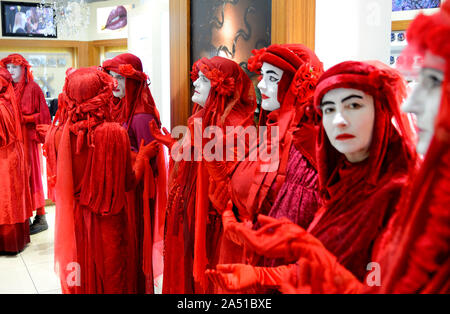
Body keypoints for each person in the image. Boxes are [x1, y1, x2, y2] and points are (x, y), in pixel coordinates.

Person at [206, 60, 417, 293]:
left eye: (354, 105)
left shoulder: (397, 193)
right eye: (328, 109)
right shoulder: (343, 181)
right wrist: (260, 271)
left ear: (381, 109)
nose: (339, 120)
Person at [211, 45, 323, 289]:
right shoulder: (272, 132)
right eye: (263, 76)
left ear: (297, 85)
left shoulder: (305, 147)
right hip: (245, 255)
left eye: (272, 78)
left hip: (272, 273)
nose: (261, 86)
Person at [44, 67, 158, 294]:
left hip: (75, 221)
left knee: (81, 274)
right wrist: (143, 158)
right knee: (114, 277)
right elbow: (128, 183)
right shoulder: (114, 133)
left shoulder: (57, 135)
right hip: (109, 223)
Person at [150, 56, 256, 293]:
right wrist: (174, 147)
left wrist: (210, 157)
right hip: (188, 212)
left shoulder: (237, 127)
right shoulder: (200, 118)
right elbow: (194, 161)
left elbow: (234, 190)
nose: (195, 84)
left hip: (211, 223)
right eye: (196, 78)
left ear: (220, 86)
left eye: (203, 79)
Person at [102, 53, 168, 293]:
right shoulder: (121, 106)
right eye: (112, 76)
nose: (114, 83)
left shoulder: (141, 115)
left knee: (132, 242)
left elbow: (149, 162)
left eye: (120, 77)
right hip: (125, 186)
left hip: (136, 191)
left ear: (134, 81)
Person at [1, 54, 51, 235]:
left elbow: (44, 115)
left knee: (32, 176)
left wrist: (25, 118)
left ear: (24, 68)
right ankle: (23, 217)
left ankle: (41, 215)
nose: (11, 71)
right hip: (12, 141)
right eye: (8, 67)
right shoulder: (6, 89)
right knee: (16, 179)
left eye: (15, 67)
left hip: (29, 141)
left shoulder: (34, 88)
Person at [0, 67, 33, 254]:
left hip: (5, 158)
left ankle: (7, 241)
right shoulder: (8, 102)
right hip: (12, 155)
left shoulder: (2, 106)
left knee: (6, 197)